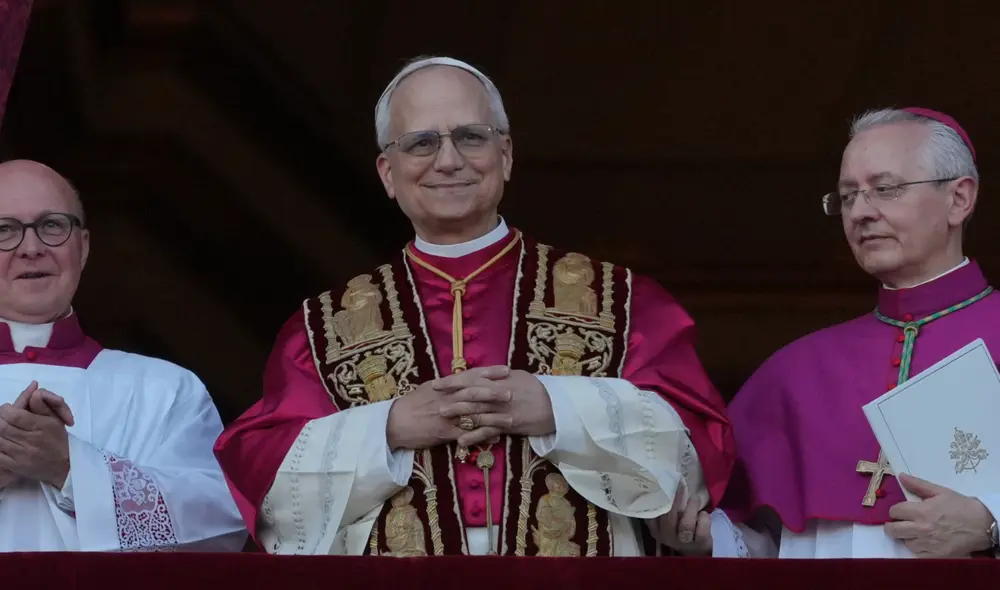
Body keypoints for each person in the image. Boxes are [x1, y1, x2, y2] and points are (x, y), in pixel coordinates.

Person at [214, 56, 736, 556]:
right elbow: (266, 485)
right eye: (420, 143)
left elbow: (701, 448)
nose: (448, 160)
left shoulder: (619, 301)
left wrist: (558, 408)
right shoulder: (322, 328)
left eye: (470, 136)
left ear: (505, 155)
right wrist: (389, 427)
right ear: (387, 173)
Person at [702, 107, 1000, 558]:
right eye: (846, 196)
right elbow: (762, 544)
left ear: (959, 199)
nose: (861, 212)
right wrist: (699, 536)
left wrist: (991, 522)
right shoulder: (797, 369)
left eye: (885, 189)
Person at [0, 159, 247, 552]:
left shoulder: (166, 389)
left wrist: (70, 468)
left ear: (82, 248)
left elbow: (222, 527)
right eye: (4, 230)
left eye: (52, 226)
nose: (31, 248)